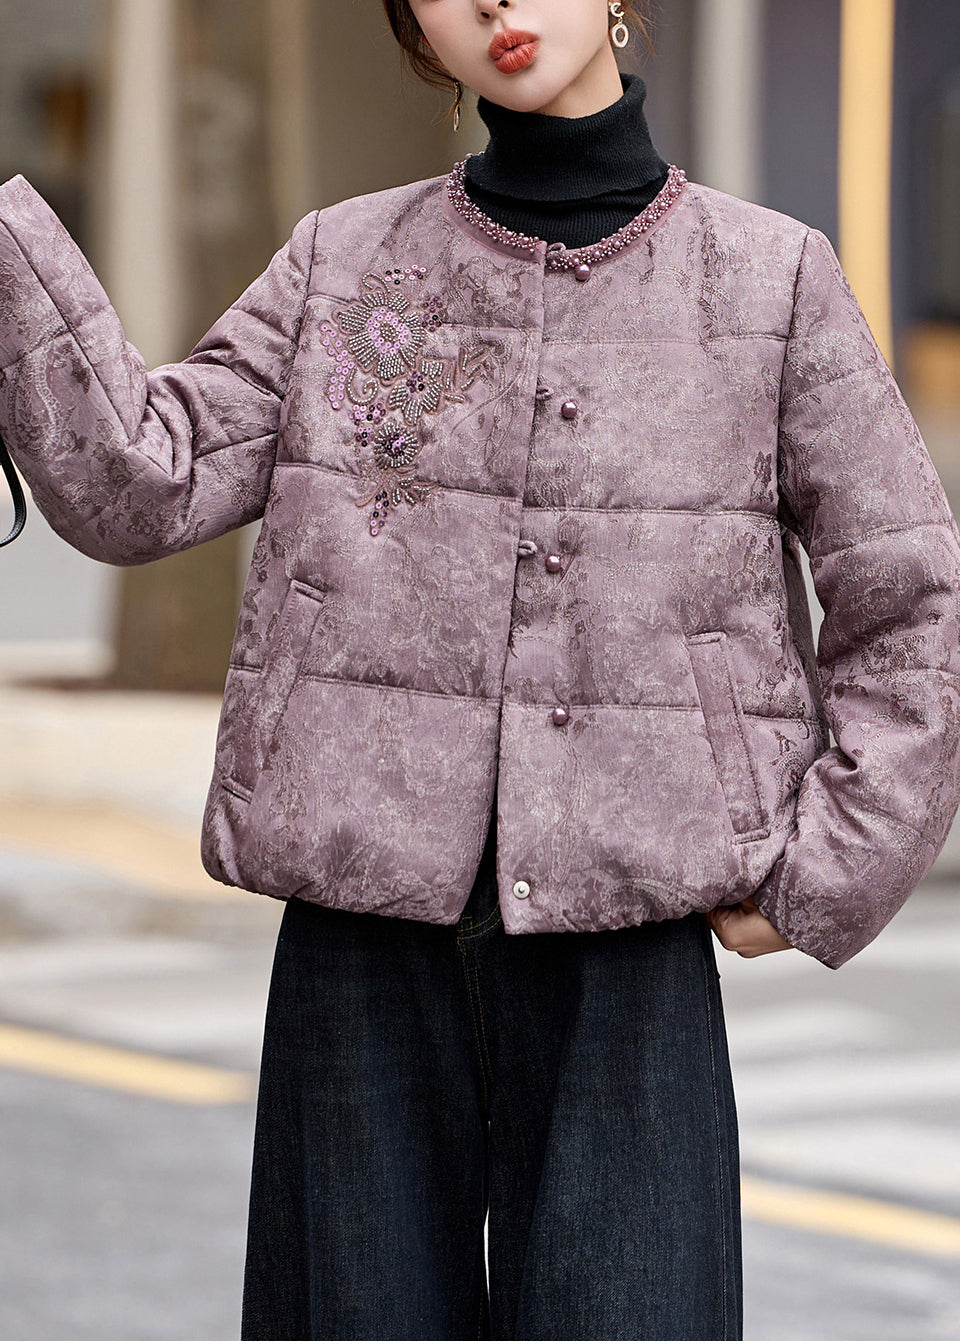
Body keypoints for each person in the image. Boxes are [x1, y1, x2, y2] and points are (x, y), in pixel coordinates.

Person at [1, 1, 959, 1339]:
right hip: (362, 948)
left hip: (629, 950)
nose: (500, 2)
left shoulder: (769, 281)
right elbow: (141, 484)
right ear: (412, 32)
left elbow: (908, 591)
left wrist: (830, 866)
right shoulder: (343, 265)